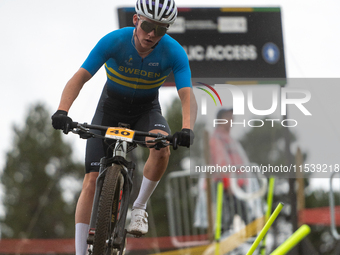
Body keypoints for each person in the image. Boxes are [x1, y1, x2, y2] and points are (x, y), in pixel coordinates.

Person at [51, 0, 197, 254]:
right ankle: (78, 251)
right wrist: (63, 111)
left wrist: (187, 128)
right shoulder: (113, 41)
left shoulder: (174, 52)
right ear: (136, 21)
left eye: (160, 29)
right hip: (110, 108)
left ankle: (139, 207)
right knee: (91, 181)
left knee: (161, 147)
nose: (151, 34)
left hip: (146, 111)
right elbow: (80, 77)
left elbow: (187, 94)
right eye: (148, 25)